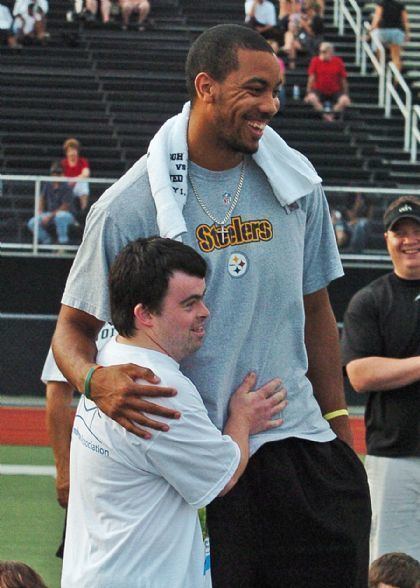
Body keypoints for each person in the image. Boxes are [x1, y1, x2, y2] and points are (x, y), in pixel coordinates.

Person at [53, 24, 371, 587]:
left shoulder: (297, 185)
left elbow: (317, 310)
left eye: (276, 90)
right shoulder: (129, 206)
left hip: (297, 445)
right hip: (201, 457)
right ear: (206, 87)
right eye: (255, 89)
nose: (271, 106)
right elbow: (71, 331)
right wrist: (93, 381)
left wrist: (338, 425)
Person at [61, 236, 286, 587]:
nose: (205, 312)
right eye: (189, 303)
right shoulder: (158, 387)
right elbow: (221, 478)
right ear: (145, 314)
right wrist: (242, 419)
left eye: (202, 298)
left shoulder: (109, 357)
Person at [341, 195, 420, 562]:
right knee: (392, 566)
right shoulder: (369, 300)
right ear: (387, 239)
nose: (409, 239)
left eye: (416, 230)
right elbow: (359, 374)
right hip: (395, 455)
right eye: (399, 232)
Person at [42, 323, 117, 557]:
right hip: (96, 464)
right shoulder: (82, 317)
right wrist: (65, 474)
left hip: (143, 464)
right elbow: (57, 392)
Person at [27, 161, 75, 245]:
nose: (56, 175)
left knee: (60, 216)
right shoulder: (47, 185)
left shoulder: (67, 187)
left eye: (58, 172)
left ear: (62, 174)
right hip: (50, 214)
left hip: (66, 215)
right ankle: (47, 241)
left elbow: (65, 206)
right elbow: (42, 198)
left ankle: (62, 243)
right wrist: (40, 212)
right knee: (32, 223)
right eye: (54, 172)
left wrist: (50, 216)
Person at [304, 41, 351, 121]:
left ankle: (332, 115)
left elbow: (343, 79)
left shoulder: (338, 62)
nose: (321, 54)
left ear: (330, 52)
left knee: (344, 100)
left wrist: (346, 93)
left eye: (324, 52)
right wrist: (308, 93)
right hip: (319, 90)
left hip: (335, 91)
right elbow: (311, 78)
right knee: (312, 98)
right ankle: (325, 115)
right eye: (321, 52)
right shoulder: (315, 61)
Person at [369, 0, 410, 72]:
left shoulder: (381, 3)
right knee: (396, 56)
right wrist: (407, 33)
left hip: (383, 31)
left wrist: (370, 30)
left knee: (379, 50)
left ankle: (377, 69)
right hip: (397, 31)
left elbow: (377, 18)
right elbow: (405, 21)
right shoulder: (400, 5)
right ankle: (396, 77)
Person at [61, 137, 90, 217]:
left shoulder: (82, 161)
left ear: (77, 151)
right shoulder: (63, 163)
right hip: (67, 185)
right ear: (66, 152)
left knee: (83, 182)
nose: (72, 153)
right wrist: (69, 182)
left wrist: (74, 180)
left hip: (77, 183)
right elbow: (61, 176)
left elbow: (86, 173)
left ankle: (84, 208)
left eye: (74, 150)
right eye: (70, 151)